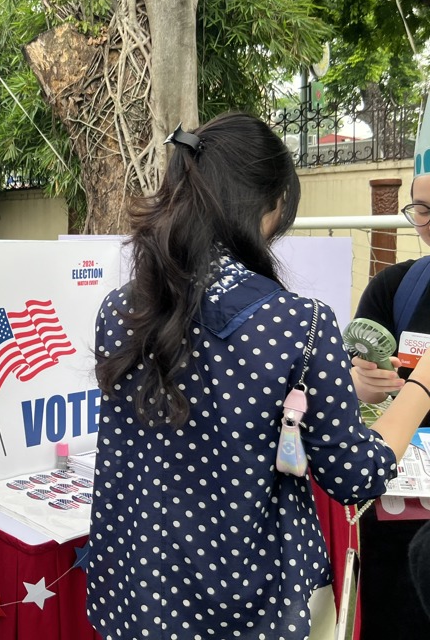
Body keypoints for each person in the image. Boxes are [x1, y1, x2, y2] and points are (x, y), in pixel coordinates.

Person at [86, 111, 430, 640]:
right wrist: (423, 385)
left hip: (135, 595)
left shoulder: (121, 308)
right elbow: (355, 475)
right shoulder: (299, 322)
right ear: (272, 204)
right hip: (247, 605)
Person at [348, 100, 430, 639]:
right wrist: (359, 384)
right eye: (420, 210)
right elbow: (351, 386)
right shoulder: (393, 289)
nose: (427, 223)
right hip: (396, 510)